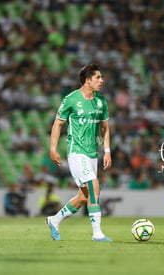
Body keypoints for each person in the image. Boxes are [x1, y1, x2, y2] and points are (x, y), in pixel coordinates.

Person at [46, 64, 112, 242]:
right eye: (98, 77)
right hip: (76, 152)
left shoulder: (101, 102)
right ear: (87, 80)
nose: (102, 80)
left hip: (92, 154)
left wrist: (107, 151)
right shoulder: (71, 99)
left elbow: (105, 128)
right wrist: (53, 148)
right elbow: (57, 124)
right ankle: (97, 233)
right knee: (94, 187)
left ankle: (54, 220)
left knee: (84, 197)